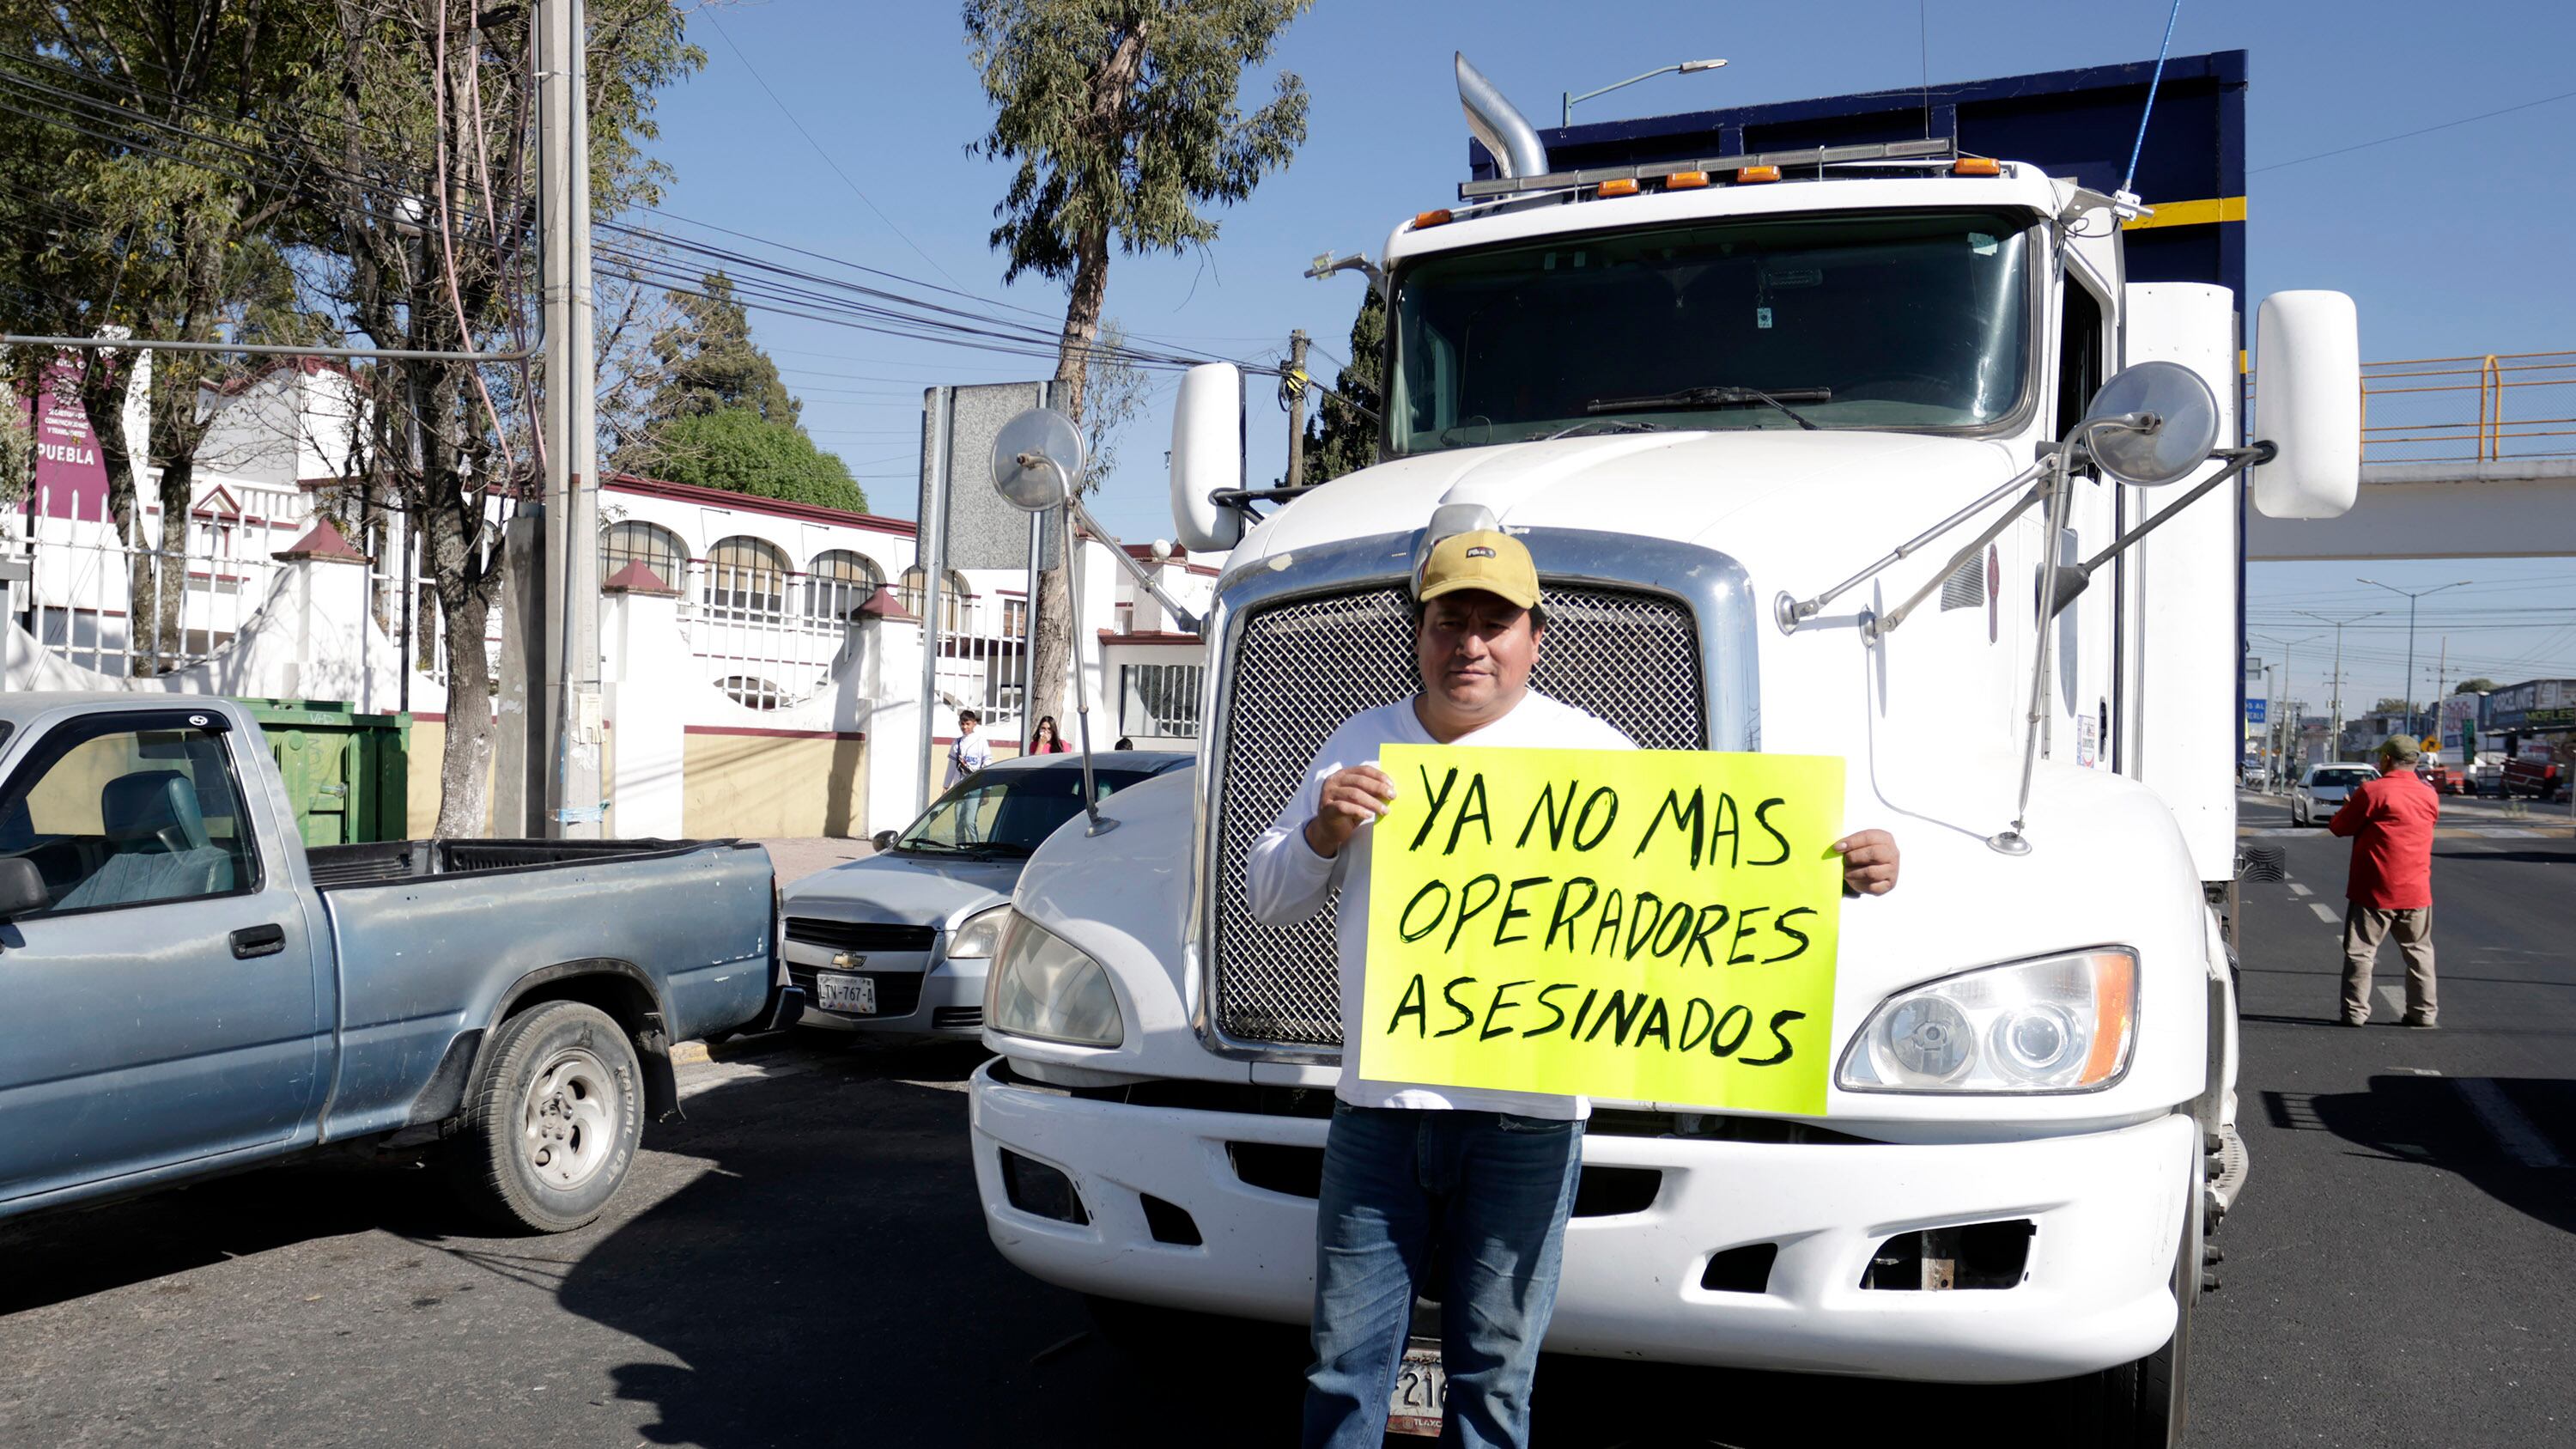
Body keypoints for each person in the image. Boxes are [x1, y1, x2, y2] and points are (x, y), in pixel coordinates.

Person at [1244, 529, 1901, 1449]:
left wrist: (1832, 871)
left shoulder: (1590, 751)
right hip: (1378, 1117)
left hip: (1528, 1127)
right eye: (1450, 620)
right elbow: (1268, 895)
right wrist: (1319, 831)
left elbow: (1701, 885)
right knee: (1343, 1370)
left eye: (1494, 622)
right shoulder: (1362, 743)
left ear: (1533, 639)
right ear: (1420, 633)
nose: (1471, 642)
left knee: (1494, 1379)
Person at [2330, 733, 2440, 1027]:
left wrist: (2350, 805)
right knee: (2419, 953)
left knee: (2361, 952)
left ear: (2387, 759)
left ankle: (2355, 1012)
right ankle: (2423, 1012)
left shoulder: (2372, 791)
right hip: (2416, 890)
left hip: (2374, 891)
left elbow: (2339, 827)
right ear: (2415, 761)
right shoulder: (2429, 794)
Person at [944, 709, 991, 789]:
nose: (965, 727)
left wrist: (987, 789)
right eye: (962, 724)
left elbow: (987, 764)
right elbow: (951, 766)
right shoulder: (957, 743)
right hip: (958, 786)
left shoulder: (981, 741)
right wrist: (946, 786)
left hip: (975, 786)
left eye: (968, 724)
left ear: (974, 724)